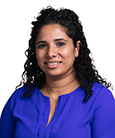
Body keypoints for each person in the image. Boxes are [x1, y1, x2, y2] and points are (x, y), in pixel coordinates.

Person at [0, 6, 115, 138]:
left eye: (60, 44)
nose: (50, 53)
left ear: (76, 48)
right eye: (42, 45)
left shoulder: (100, 99)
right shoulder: (18, 98)